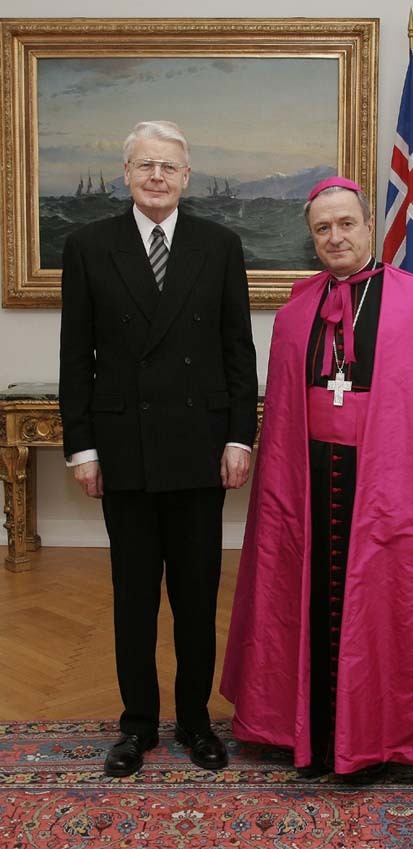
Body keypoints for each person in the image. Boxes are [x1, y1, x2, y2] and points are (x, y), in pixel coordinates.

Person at [220, 176, 413, 781]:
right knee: (310, 598)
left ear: (370, 226)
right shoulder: (297, 310)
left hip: (389, 483)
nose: (336, 237)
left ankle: (378, 736)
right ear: (312, 237)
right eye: (322, 228)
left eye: (346, 224)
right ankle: (313, 733)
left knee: (385, 606)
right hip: (310, 477)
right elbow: (282, 412)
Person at [59, 120, 257, 777]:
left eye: (169, 166)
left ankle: (196, 721)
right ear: (126, 174)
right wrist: (82, 448)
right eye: (145, 164)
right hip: (126, 451)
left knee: (197, 600)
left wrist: (239, 435)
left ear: (187, 176)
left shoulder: (220, 245)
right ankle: (138, 725)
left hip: (201, 448)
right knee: (134, 599)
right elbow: (75, 357)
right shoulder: (88, 245)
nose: (157, 176)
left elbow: (238, 350)